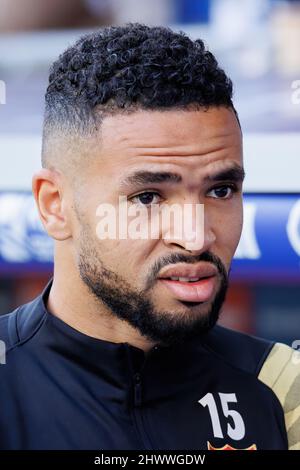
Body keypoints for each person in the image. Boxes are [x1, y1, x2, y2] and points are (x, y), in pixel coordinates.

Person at [0, 23, 299, 450]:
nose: (194, 238)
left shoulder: (283, 389)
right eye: (147, 197)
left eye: (220, 190)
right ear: (54, 204)